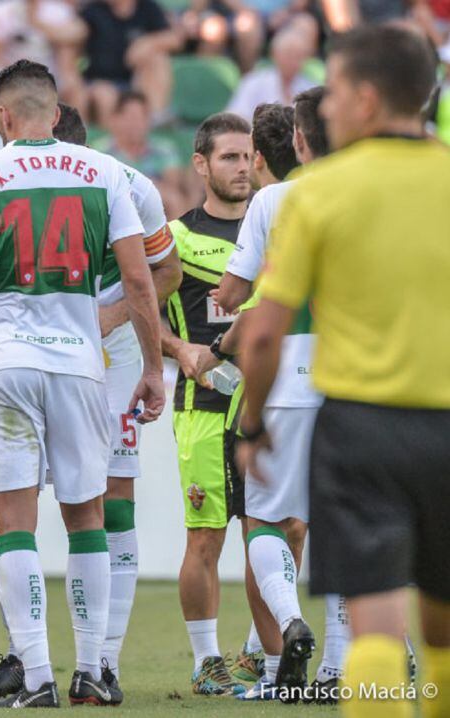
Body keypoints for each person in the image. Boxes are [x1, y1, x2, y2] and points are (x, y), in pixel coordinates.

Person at [0, 60, 165, 709]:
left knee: (15, 523)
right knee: (87, 518)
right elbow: (141, 282)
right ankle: (94, 671)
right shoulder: (105, 173)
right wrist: (150, 366)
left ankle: (36, 678)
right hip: (81, 363)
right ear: (56, 114)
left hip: (4, 364)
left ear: (2, 117)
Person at [236, 24, 450, 718]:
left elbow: (263, 330)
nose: (322, 114)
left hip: (363, 424)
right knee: (441, 629)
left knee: (378, 626)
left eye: (331, 99)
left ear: (361, 97)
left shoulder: (320, 192)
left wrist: (251, 423)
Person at [215, 89, 350, 704]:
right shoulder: (367, 189)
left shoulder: (271, 199)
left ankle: (289, 624)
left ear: (298, 140)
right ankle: (341, 672)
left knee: (265, 517)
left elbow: (236, 288)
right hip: (355, 375)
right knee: (343, 519)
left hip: (285, 371)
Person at [160, 111, 252, 696]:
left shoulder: (273, 231)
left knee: (286, 530)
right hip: (204, 408)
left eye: (248, 157)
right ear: (201, 164)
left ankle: (254, 654)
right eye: (229, 158)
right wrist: (178, 348)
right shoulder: (176, 237)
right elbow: (139, 310)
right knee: (206, 537)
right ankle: (206, 660)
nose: (242, 168)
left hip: (273, 408)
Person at [79, 0, 182, 122]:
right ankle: (112, 138)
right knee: (104, 95)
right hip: (101, 81)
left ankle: (156, 119)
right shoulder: (92, 11)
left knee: (159, 59)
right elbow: (75, 31)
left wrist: (148, 43)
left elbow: (174, 39)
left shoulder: (148, 7)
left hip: (136, 80)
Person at [99, 91, 188, 217]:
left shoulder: (164, 149)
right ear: (115, 119)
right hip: (115, 207)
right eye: (130, 117)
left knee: (174, 198)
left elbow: (174, 184)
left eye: (141, 117)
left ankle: (176, 237)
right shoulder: (101, 152)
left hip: (156, 208)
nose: (136, 124)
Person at [226, 16, 318, 121]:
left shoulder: (309, 87)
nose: (293, 61)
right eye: (288, 54)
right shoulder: (253, 82)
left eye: (298, 56)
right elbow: (236, 117)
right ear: (275, 55)